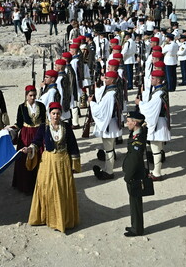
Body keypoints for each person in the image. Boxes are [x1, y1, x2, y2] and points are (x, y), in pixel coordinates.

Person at [21, 102, 81, 233]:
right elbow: (36, 143)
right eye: (53, 113)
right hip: (48, 162)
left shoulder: (66, 127)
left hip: (63, 161)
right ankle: (47, 217)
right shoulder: (43, 127)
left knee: (62, 189)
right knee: (47, 188)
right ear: (49, 114)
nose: (56, 116)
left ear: (61, 114)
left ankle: (63, 219)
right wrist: (29, 149)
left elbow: (73, 145)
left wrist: (74, 163)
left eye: (58, 113)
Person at [10, 85, 46, 194]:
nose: (33, 97)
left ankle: (40, 185)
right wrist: (10, 128)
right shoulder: (21, 107)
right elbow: (19, 124)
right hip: (26, 135)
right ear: (26, 96)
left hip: (39, 134)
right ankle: (25, 186)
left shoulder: (41, 106)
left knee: (40, 158)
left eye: (34, 95)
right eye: (30, 95)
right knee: (25, 159)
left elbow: (44, 121)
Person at [135, 70, 170, 181]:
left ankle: (157, 173)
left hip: (158, 123)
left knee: (156, 150)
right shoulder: (159, 91)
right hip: (159, 121)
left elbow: (150, 109)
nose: (151, 80)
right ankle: (156, 171)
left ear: (159, 80)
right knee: (157, 149)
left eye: (153, 78)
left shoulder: (159, 93)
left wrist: (140, 103)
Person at [90, 71, 123, 180]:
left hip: (109, 124)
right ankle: (107, 169)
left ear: (112, 80)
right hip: (112, 123)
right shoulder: (114, 90)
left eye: (107, 78)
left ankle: (109, 171)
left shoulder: (110, 94)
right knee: (109, 148)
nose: (105, 79)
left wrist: (92, 103)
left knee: (109, 150)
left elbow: (101, 110)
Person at [122, 110, 148, 237]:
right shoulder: (136, 133)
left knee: (136, 203)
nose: (127, 124)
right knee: (133, 202)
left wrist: (128, 176)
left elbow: (135, 159)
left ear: (135, 123)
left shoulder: (138, 138)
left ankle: (137, 229)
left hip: (134, 175)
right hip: (134, 174)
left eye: (128, 122)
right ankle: (135, 225)